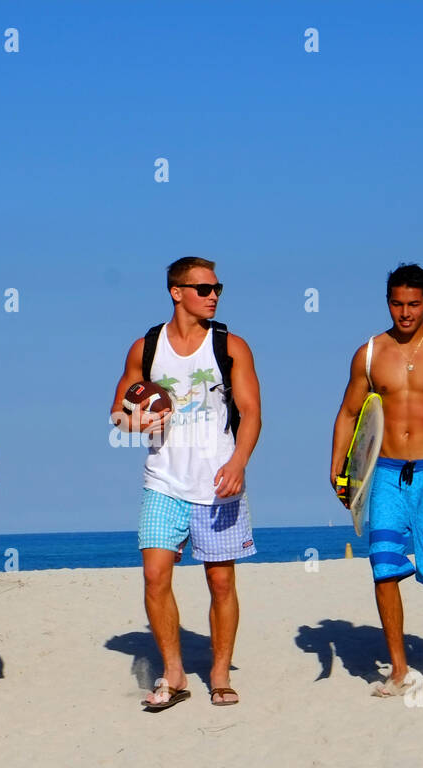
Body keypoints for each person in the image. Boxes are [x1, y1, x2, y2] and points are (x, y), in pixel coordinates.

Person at [111, 256, 262, 710]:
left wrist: (238, 462)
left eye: (218, 288)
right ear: (177, 292)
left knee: (220, 582)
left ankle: (219, 673)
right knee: (155, 575)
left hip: (218, 481)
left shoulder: (231, 346)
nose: (213, 295)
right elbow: (118, 414)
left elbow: (252, 413)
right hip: (163, 480)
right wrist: (139, 422)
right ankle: (174, 673)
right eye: (204, 288)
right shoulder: (146, 347)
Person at [329, 264, 423, 697]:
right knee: (384, 570)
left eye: (413, 304)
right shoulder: (370, 353)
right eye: (397, 303)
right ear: (388, 302)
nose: (405, 313)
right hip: (385, 473)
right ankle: (398, 669)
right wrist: (338, 465)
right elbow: (348, 413)